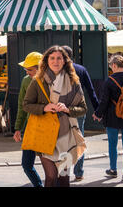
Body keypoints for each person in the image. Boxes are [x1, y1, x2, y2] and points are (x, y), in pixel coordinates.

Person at [23, 45, 87, 187]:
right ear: (47, 60)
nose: (56, 61)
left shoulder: (73, 82)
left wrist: (68, 109)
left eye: (59, 58)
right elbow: (26, 105)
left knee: (64, 178)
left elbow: (83, 108)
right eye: (52, 58)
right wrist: (44, 107)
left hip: (66, 136)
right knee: (51, 177)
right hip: (45, 135)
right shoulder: (38, 81)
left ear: (65, 61)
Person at [93, 54, 123, 182]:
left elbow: (104, 101)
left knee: (112, 144)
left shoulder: (109, 80)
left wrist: (97, 114)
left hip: (112, 117)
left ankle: (113, 170)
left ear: (114, 65)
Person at [61, 45, 100, 181]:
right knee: (79, 140)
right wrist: (97, 110)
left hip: (62, 111)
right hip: (78, 111)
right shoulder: (81, 69)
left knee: (63, 141)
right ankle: (79, 173)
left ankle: (64, 173)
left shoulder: (58, 70)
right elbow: (91, 91)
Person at [13, 51, 43, 187]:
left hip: (47, 129)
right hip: (31, 128)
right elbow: (21, 105)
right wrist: (18, 128)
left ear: (39, 67)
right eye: (26, 69)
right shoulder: (26, 81)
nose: (27, 72)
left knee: (51, 165)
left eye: (30, 69)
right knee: (26, 165)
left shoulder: (51, 81)